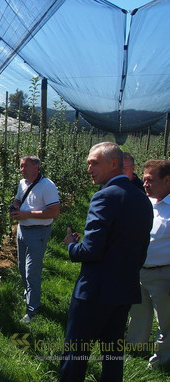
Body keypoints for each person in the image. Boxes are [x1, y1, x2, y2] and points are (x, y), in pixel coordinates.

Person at [61, 142, 153, 382]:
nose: (89, 168)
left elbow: (91, 250)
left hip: (94, 292)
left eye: (94, 162)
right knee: (112, 356)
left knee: (76, 356)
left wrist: (71, 246)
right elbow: (141, 249)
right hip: (124, 291)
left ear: (114, 164)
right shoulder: (142, 199)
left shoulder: (104, 197)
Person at [126, 159, 170, 368]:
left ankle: (161, 361)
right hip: (140, 271)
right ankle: (134, 352)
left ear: (167, 180)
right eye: (144, 180)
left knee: (166, 321)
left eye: (150, 180)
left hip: (164, 274)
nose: (145, 184)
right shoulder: (147, 203)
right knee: (138, 314)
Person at [10, 155, 60, 323]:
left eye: (25, 166)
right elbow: (18, 200)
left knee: (32, 271)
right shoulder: (22, 183)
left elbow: (54, 212)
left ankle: (32, 311)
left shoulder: (47, 186)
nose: (21, 169)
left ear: (36, 167)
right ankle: (30, 296)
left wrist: (26, 214)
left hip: (38, 231)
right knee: (21, 268)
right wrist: (16, 208)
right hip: (22, 230)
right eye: (20, 166)